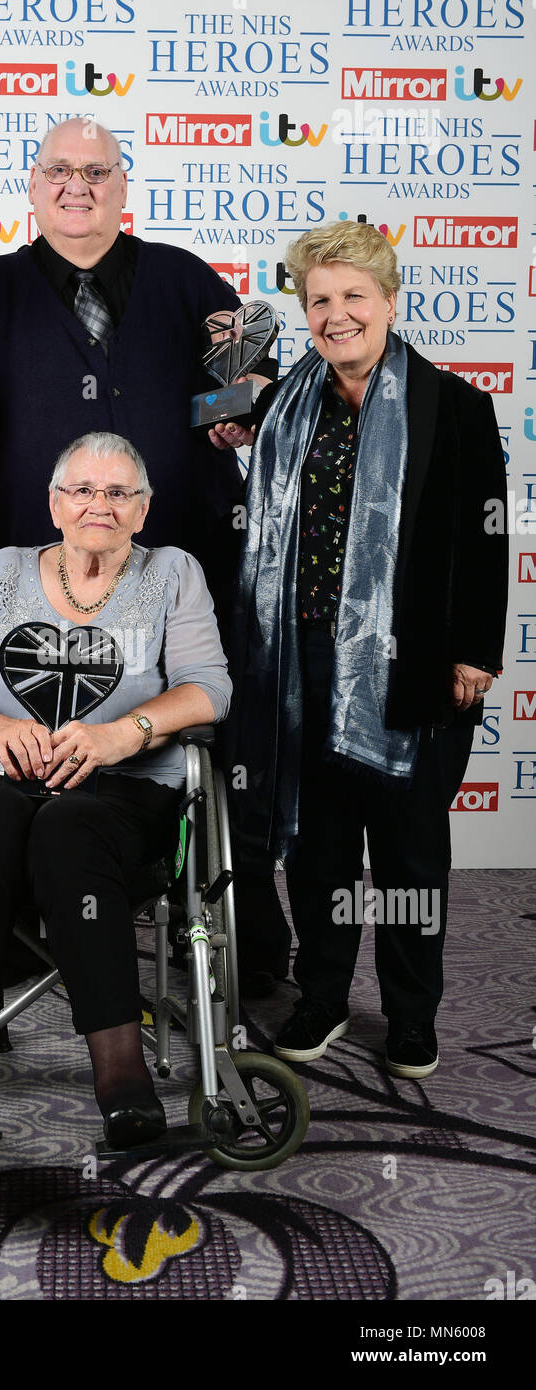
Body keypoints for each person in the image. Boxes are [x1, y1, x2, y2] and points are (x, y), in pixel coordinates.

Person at [0, 115, 290, 991]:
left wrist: (243, 409)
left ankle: (247, 943)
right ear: (32, 185)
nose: (76, 185)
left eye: (97, 171)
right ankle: (15, 927)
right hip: (38, 580)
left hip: (185, 562)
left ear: (125, 187)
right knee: (31, 748)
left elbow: (249, 386)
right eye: (58, 169)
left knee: (207, 737)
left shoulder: (185, 279)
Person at [0, 432, 232, 1146]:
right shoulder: (3, 573)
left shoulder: (171, 573)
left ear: (142, 510)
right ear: (53, 503)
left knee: (66, 826)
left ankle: (122, 1078)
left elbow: (208, 690)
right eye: (81, 490)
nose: (97, 505)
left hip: (121, 794)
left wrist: (121, 734)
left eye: (117, 493)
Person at [230, 220, 508, 1079]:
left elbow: (485, 537)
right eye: (320, 300)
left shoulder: (453, 406)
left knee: (409, 849)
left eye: (354, 296)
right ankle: (320, 995)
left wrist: (474, 654)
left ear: (389, 300)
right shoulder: (279, 407)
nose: (337, 314)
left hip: (414, 665)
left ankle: (411, 1012)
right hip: (299, 664)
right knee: (318, 844)